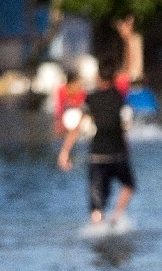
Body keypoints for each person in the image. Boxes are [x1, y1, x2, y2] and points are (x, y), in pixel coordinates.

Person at [57, 57, 135, 226]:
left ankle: (98, 228)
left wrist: (65, 152)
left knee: (97, 204)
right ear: (114, 77)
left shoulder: (91, 99)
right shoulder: (119, 96)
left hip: (97, 156)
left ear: (97, 76)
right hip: (118, 154)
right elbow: (122, 125)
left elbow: (77, 128)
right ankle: (116, 218)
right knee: (128, 185)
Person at [53, 69, 86, 136]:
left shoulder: (81, 92)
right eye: (77, 83)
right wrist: (60, 123)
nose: (79, 85)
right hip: (65, 119)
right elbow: (59, 108)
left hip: (78, 120)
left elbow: (82, 108)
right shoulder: (61, 90)